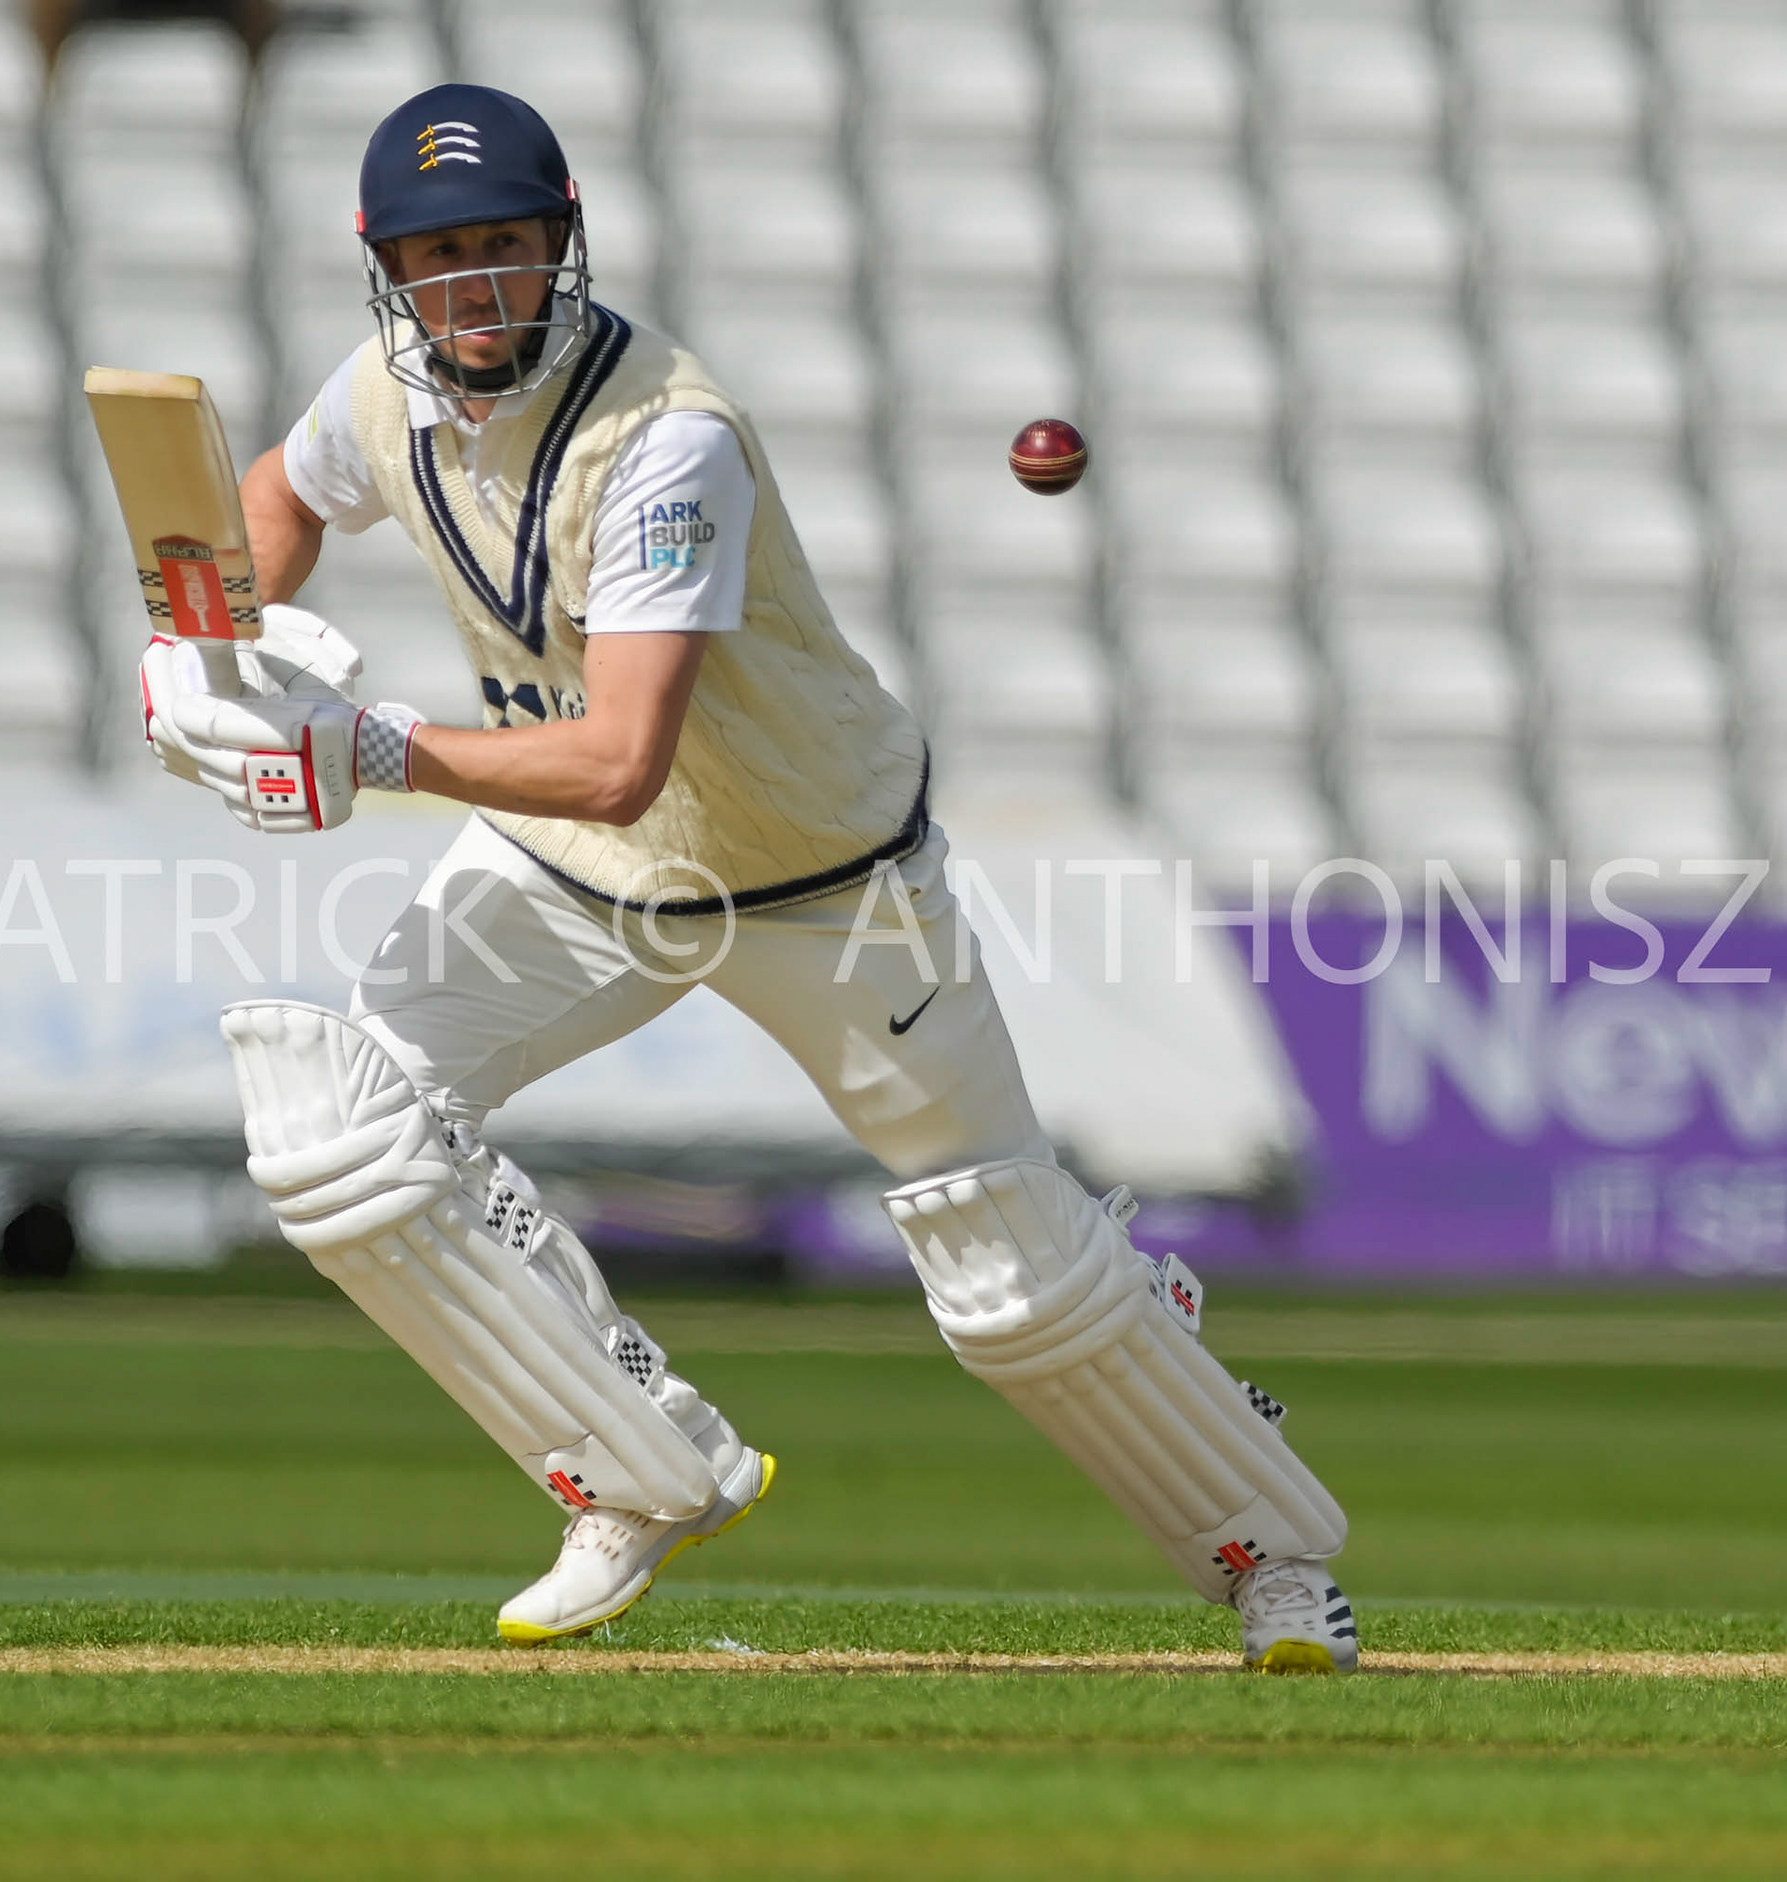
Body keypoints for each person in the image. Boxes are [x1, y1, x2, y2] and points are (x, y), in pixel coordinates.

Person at [144, 83, 1359, 1672]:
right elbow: (280, 500)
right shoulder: (385, 386)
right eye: (440, 259)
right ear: (387, 271)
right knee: (335, 1124)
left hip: (817, 870)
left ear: (562, 245)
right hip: (577, 868)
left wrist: (368, 750)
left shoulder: (667, 441)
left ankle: (1274, 1556)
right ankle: (642, 1470)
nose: (476, 289)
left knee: (1010, 1275)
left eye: (507, 247)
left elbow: (622, 754)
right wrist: (206, 647)